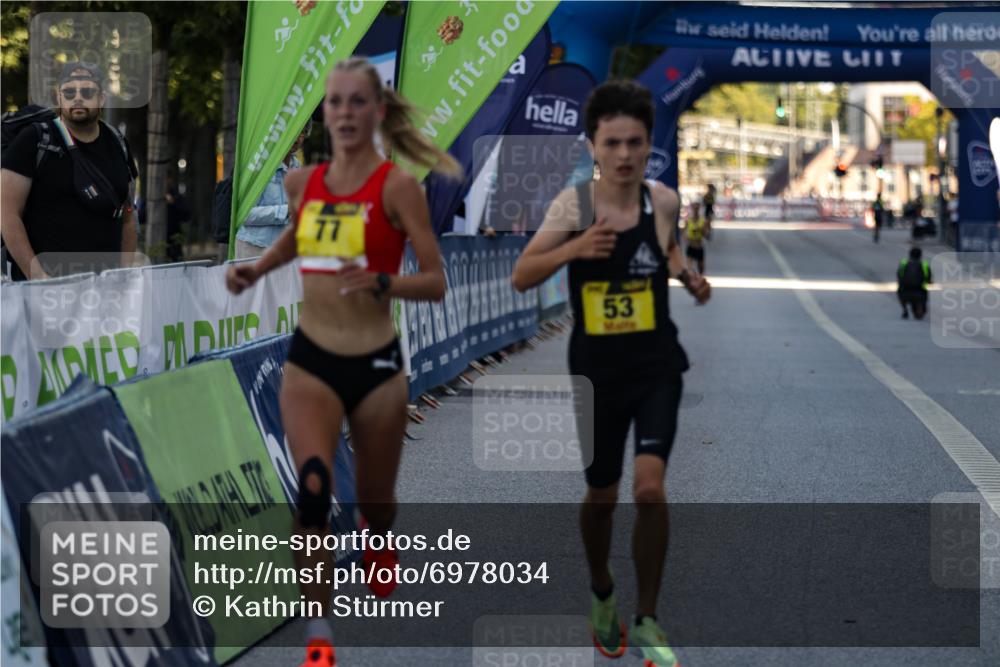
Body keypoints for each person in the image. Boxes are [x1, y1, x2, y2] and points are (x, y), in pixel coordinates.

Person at [225, 56, 460, 667]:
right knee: (312, 487)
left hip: (377, 362)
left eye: (358, 102)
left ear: (378, 113)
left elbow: (435, 281)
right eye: (336, 103)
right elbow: (298, 238)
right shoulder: (303, 184)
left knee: (376, 501)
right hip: (311, 360)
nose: (346, 113)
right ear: (324, 114)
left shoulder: (398, 187)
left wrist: (384, 281)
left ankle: (377, 536)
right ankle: (321, 634)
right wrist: (256, 269)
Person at [511, 79, 710, 667]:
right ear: (592, 146)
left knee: (649, 489)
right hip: (596, 371)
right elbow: (523, 275)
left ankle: (647, 619)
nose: (625, 154)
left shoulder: (663, 201)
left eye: (636, 143)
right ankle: (602, 588)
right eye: (612, 143)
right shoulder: (573, 207)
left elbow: (671, 254)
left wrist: (690, 278)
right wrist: (574, 249)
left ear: (650, 145)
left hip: (656, 365)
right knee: (603, 495)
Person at [1, 62, 138, 280]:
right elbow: (7, 214)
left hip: (104, 288)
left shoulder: (118, 142)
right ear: (59, 97)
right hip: (47, 287)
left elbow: (128, 216)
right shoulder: (35, 140)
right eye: (69, 91)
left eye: (87, 91)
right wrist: (37, 276)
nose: (78, 97)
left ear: (101, 98)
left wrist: (122, 275)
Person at [235, 122, 311, 259]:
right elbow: (244, 214)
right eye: (293, 128)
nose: (298, 137)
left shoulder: (297, 166)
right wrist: (285, 211)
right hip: (254, 247)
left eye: (302, 132)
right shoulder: (257, 166)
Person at [898, 246, 931, 320]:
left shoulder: (903, 263)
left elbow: (899, 275)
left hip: (905, 289)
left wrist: (901, 282)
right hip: (920, 289)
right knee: (925, 292)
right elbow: (928, 276)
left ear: (910, 255)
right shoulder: (924, 264)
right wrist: (928, 282)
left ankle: (905, 310)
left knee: (899, 291)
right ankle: (921, 306)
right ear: (920, 255)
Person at [684, 201, 707, 274]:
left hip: (699, 247)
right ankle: (692, 278)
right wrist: (686, 237)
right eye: (694, 208)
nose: (696, 210)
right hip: (691, 246)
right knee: (689, 268)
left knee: (701, 269)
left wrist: (702, 230)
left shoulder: (703, 221)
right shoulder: (688, 220)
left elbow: (706, 235)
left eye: (697, 208)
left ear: (699, 209)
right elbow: (684, 232)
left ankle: (699, 278)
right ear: (692, 209)